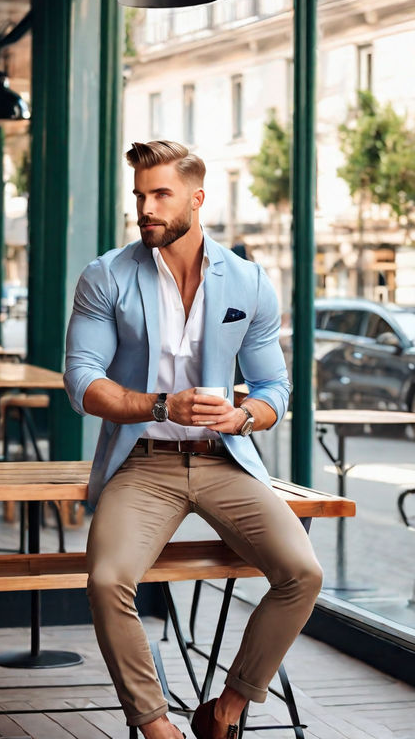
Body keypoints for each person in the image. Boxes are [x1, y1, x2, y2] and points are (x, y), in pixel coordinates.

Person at [64, 140, 323, 739]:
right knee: (107, 580)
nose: (146, 208)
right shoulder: (107, 276)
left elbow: (273, 388)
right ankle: (157, 728)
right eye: (139, 196)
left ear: (197, 199)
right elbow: (83, 382)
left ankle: (224, 712)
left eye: (161, 195)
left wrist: (245, 418)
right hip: (143, 463)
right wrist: (160, 404)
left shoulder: (249, 282)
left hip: (222, 461)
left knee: (302, 575)